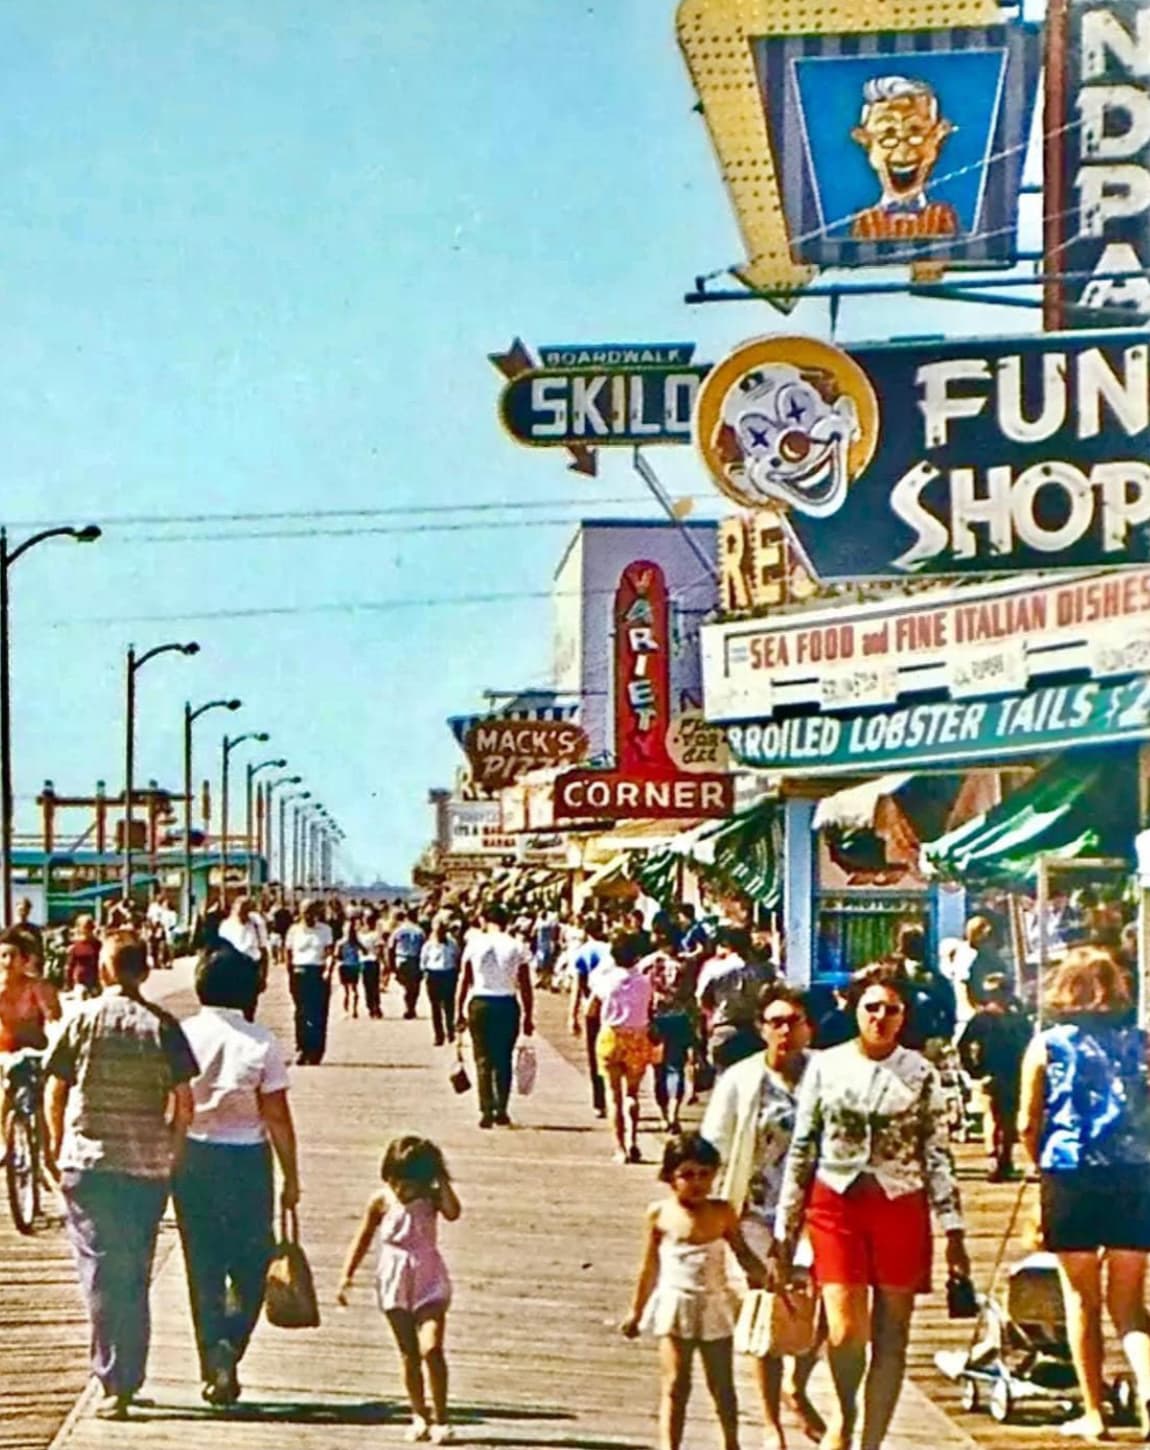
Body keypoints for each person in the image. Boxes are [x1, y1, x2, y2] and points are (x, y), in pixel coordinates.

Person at [773, 963, 969, 1450]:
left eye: (892, 1009)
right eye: (872, 1007)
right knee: (843, 1328)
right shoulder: (826, 1064)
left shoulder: (920, 1072)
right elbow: (804, 1146)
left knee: (892, 1332)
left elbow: (937, 1151)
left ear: (904, 1017)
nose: (881, 1017)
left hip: (900, 1202)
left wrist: (955, 1229)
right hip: (835, 1201)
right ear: (855, 1011)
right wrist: (785, 1228)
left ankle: (872, 1441)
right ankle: (844, 1415)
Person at [43, 930, 198, 1421]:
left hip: (89, 1162)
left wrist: (53, 1145)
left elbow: (56, 1088)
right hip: (144, 1165)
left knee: (99, 1269)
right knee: (135, 1270)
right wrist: (171, 1153)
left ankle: (113, 1379)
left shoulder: (82, 1019)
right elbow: (185, 1105)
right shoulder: (163, 1026)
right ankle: (129, 1373)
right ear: (145, 972)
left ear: (105, 970)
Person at [1018, 946, 1150, 1440]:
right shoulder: (1141, 1042)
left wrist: (1036, 1166)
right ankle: (1148, 1386)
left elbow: (1029, 1118)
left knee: (1082, 1298)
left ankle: (1094, 1413)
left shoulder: (1048, 1045)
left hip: (1070, 1173)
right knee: (1130, 1302)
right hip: (1134, 1172)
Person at [173, 946, 300, 1406]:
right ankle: (229, 1347)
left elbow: (170, 1105)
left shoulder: (182, 1035)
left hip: (192, 1159)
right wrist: (292, 1176)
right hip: (247, 1159)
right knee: (252, 1262)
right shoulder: (261, 1042)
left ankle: (213, 1362)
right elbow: (278, 1117)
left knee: (202, 1264)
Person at [702, 985, 825, 1449]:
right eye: (776, 1022)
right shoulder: (740, 1079)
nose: (786, 1031)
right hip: (757, 1211)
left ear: (808, 1026)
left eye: (794, 1021)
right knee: (769, 1311)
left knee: (824, 1309)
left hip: (816, 1210)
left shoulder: (825, 1075)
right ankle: (773, 1424)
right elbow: (714, 1148)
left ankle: (799, 1383)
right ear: (761, 1029)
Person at [621, 1133, 767, 1450]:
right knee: (676, 1383)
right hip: (677, 1304)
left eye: (704, 1174)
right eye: (686, 1175)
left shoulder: (722, 1212)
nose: (697, 1182)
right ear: (670, 1177)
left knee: (722, 1384)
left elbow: (741, 1252)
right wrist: (636, 1310)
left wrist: (763, 1277)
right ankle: (669, 1445)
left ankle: (731, 1443)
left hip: (714, 1303)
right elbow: (649, 1267)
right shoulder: (660, 1214)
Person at [338, 1135, 461, 1445]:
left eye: (405, 1183)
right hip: (394, 1277)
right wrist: (347, 1275)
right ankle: (419, 1414)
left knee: (431, 1348)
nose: (399, 1189)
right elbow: (364, 1236)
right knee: (408, 1353)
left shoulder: (431, 1198)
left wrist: (439, 1179)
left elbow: (453, 1211)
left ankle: (443, 1417)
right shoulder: (381, 1201)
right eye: (393, 1181)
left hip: (427, 1275)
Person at [456, 904, 534, 1130]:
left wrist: (459, 1010)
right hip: (506, 1003)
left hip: (480, 1002)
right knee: (503, 1059)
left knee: (482, 1058)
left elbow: (465, 979)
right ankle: (501, 1108)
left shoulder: (474, 944)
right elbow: (525, 984)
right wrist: (528, 1014)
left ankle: (485, 1109)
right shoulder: (517, 946)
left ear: (483, 920)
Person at [956, 973, 1031, 1181]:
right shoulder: (983, 1018)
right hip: (992, 1072)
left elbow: (1028, 1042)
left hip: (1013, 1072)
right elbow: (963, 1045)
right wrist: (974, 1069)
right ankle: (994, 1158)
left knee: (1007, 1118)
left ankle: (1005, 1158)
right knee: (993, 1114)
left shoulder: (1017, 1017)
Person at [590, 930, 655, 1163]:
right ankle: (633, 1140)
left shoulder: (606, 981)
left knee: (613, 1094)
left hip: (611, 1036)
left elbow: (591, 1008)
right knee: (632, 1094)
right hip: (638, 1036)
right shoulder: (646, 983)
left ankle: (619, 1148)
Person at [640, 924, 694, 1135]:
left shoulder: (647, 964)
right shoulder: (685, 964)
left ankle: (664, 1115)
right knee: (676, 1067)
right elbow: (691, 995)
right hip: (679, 1019)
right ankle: (674, 1112)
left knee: (658, 1071)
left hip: (655, 1020)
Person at [698, 928, 775, 1074]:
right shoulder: (765, 970)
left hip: (724, 1029)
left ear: (727, 945)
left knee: (724, 1081)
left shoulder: (715, 969)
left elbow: (701, 998)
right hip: (754, 1030)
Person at [568, 916, 612, 1119]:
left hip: (591, 1009)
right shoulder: (611, 949)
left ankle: (599, 1102)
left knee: (595, 1055)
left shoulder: (583, 952)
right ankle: (615, 1096)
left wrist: (572, 1014)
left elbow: (578, 985)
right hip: (613, 1007)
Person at [284, 899, 334, 1066]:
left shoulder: (325, 930)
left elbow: (329, 953)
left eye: (312, 913)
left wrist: (328, 970)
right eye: (305, 912)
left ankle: (315, 1051)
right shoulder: (294, 930)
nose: (309, 916)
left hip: (318, 972)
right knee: (301, 1013)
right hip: (299, 973)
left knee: (318, 1014)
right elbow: (288, 953)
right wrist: (289, 973)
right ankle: (301, 1048)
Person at [0, 926, 61, 1051]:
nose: (8, 962)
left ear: (24, 960)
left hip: (33, 1052)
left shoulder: (36, 986)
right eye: (3, 956)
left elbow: (55, 1021)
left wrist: (49, 1005)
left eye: (13, 956)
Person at [217, 896, 269, 1020]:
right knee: (231, 1007)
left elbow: (264, 951)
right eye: (240, 910)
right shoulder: (226, 926)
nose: (243, 914)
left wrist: (264, 976)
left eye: (246, 910)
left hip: (250, 969)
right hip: (231, 969)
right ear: (234, 909)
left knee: (248, 1008)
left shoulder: (256, 925)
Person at [421, 918, 461, 1047]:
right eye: (437, 930)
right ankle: (439, 1035)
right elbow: (423, 961)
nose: (440, 933)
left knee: (449, 1006)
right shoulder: (428, 945)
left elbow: (457, 958)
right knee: (435, 1007)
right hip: (434, 974)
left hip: (448, 974)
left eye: (442, 930)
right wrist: (425, 974)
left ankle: (450, 1032)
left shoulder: (452, 943)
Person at [391, 911, 428, 1020]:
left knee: (407, 986)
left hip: (401, 958)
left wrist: (391, 964)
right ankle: (411, 1007)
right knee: (414, 987)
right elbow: (424, 947)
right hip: (415, 959)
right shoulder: (420, 931)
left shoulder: (399, 930)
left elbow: (391, 946)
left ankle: (409, 1007)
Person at [66, 915, 102, 997]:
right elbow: (70, 966)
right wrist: (68, 983)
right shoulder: (76, 946)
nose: (88, 930)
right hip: (80, 981)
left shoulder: (97, 945)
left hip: (95, 981)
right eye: (85, 927)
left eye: (90, 927)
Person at [337, 918, 365, 1018]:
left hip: (344, 966)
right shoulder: (356, 942)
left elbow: (337, 956)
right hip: (354, 965)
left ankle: (346, 1010)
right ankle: (354, 1009)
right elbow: (365, 951)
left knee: (346, 991)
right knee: (354, 989)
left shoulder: (340, 943)